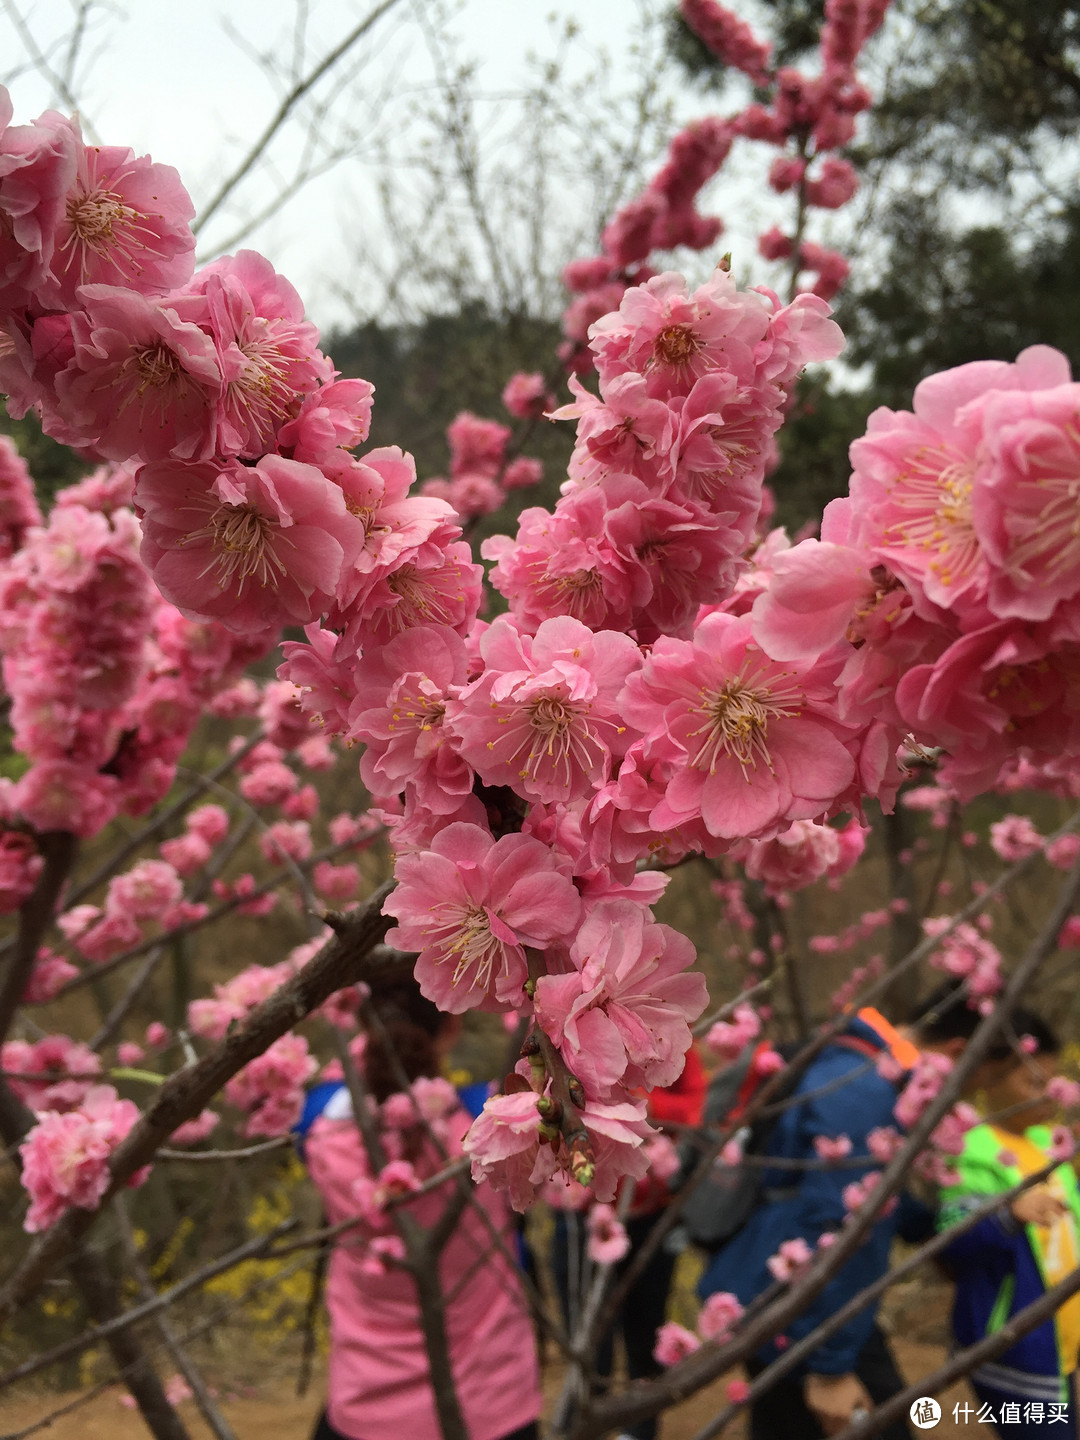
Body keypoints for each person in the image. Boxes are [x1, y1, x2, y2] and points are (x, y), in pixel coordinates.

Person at [300, 978, 542, 1440]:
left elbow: (332, 1089)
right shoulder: (493, 1128)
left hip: (367, 1407)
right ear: (451, 1025)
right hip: (490, 1405)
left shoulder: (320, 1132)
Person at [697, 1004, 930, 1440]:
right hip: (800, 1302)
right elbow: (843, 1218)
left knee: (779, 1421)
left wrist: (927, 1224)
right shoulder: (863, 1086)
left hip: (762, 1281)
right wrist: (829, 1366)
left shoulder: (838, 1058)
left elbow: (861, 1188)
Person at [550, 1042, 708, 1440]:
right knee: (588, 1346)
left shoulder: (667, 1035)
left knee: (645, 1335)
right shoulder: (565, 1033)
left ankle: (640, 1431)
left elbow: (695, 1108)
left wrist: (642, 1108)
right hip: (584, 1214)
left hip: (649, 1212)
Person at [938, 1010, 1080, 1437]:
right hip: (1013, 1350)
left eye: (1051, 1084)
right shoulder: (970, 1149)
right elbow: (953, 1244)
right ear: (990, 1076)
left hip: (1060, 1346)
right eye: (1032, 1084)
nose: (1047, 1096)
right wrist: (1006, 1216)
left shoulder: (1047, 1142)